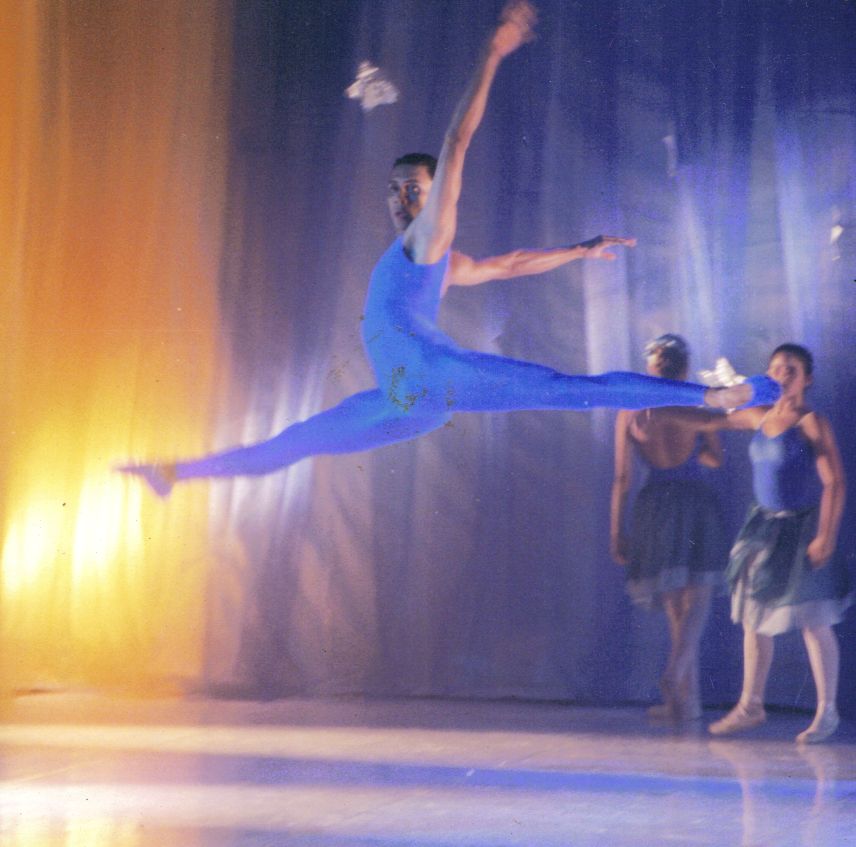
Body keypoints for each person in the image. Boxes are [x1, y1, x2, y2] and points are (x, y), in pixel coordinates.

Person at [119, 1, 778, 497]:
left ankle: (712, 398)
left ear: (433, 198)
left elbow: (457, 143)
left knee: (570, 390)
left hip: (435, 375)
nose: (402, 199)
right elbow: (509, 265)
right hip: (402, 402)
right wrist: (579, 250)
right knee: (295, 442)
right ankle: (176, 473)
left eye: (415, 189)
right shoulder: (435, 266)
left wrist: (492, 53)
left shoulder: (428, 237)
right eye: (395, 189)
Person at [671, 344, 848, 743]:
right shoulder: (759, 415)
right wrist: (663, 407)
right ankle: (751, 704)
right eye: (776, 368)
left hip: (800, 530)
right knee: (753, 618)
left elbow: (835, 481)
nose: (782, 375)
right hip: (763, 529)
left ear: (807, 379)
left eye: (791, 369)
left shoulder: (811, 422)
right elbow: (710, 420)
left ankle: (827, 711)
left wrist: (825, 535)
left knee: (813, 620)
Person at [611, 334, 728, 721]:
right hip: (692, 500)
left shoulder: (631, 410)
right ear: (683, 368)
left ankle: (686, 701)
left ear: (651, 367)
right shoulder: (693, 402)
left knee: (676, 602)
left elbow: (622, 479)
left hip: (655, 504)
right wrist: (695, 453)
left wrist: (616, 532)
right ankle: (677, 676)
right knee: (697, 595)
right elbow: (715, 459)